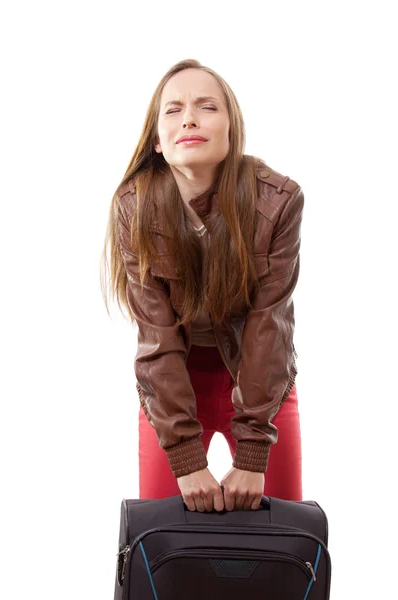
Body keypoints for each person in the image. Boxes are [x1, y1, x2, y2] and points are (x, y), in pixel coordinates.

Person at [101, 59, 304, 513]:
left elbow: (268, 326)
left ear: (232, 129)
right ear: (157, 140)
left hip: (260, 386)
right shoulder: (134, 207)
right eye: (173, 110)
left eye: (206, 106)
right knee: (157, 542)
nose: (188, 117)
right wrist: (185, 457)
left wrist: (253, 451)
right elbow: (157, 339)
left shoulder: (279, 200)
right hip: (173, 386)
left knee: (286, 538)